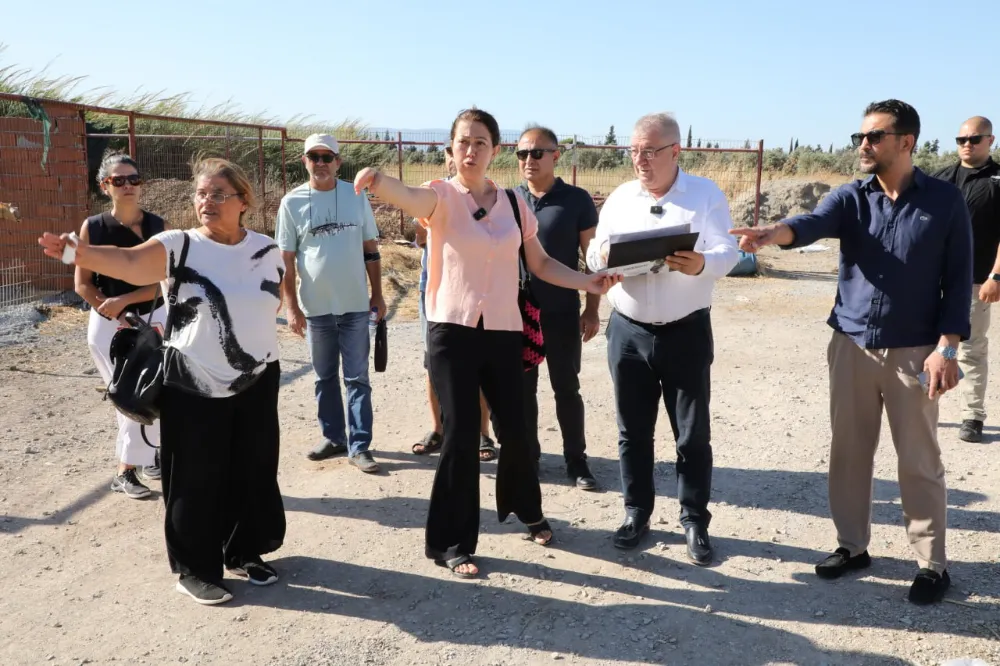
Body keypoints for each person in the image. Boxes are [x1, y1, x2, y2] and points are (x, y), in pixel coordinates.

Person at [353, 108, 619, 578]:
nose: (470, 150)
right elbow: (407, 196)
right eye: (462, 142)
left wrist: (588, 283)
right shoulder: (440, 197)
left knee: (517, 431)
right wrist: (377, 179)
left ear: (494, 150)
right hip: (451, 332)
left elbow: (539, 264)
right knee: (461, 437)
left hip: (503, 328)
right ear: (450, 149)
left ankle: (526, 509)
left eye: (480, 142)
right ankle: (452, 541)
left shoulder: (514, 203)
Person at [732, 99, 972, 605]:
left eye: (874, 136)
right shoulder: (850, 197)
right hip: (852, 345)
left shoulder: (946, 202)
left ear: (905, 142)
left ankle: (932, 564)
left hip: (915, 352)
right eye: (860, 136)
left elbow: (958, 279)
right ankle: (852, 546)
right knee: (849, 453)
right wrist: (772, 235)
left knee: (918, 459)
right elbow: (810, 224)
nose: (863, 145)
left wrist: (947, 349)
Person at [39, 157, 287, 606]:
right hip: (193, 382)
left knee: (251, 470)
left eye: (218, 194)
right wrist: (81, 253)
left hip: (258, 377)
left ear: (243, 201)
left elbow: (275, 294)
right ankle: (195, 569)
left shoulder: (267, 248)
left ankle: (243, 551)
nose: (206, 202)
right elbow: (131, 263)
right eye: (201, 194)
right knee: (196, 478)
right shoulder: (181, 245)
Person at [585, 112, 739, 565]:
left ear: (675, 152)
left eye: (649, 151)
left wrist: (702, 264)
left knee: (691, 435)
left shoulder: (704, 195)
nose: (640, 160)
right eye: (633, 151)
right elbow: (595, 249)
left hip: (685, 331)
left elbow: (728, 251)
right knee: (632, 431)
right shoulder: (621, 197)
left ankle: (694, 521)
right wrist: (604, 258)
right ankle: (637, 513)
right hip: (629, 332)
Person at [276, 134, 386, 473]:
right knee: (324, 377)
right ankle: (333, 437)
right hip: (316, 308)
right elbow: (286, 260)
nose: (321, 163)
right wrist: (291, 307)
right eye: (314, 156)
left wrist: (378, 293)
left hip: (354, 305)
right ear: (304, 161)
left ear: (338, 162)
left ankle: (359, 445)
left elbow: (370, 246)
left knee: (357, 378)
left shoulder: (356, 197)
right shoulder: (291, 203)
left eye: (328, 157)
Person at [512, 126, 601, 490]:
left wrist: (592, 309)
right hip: (518, 315)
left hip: (562, 312)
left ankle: (576, 462)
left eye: (536, 153)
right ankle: (529, 458)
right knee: (523, 390)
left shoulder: (577, 200)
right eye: (521, 154)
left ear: (555, 155)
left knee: (566, 388)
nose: (528, 161)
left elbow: (592, 260)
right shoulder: (509, 199)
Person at [76, 154, 166, 499]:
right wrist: (111, 308)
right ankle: (126, 470)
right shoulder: (93, 227)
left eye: (133, 179)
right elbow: (82, 283)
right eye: (119, 180)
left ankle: (146, 457)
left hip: (153, 316)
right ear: (105, 186)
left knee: (156, 390)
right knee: (127, 393)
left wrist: (129, 301)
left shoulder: (159, 226)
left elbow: (166, 280)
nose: (128, 186)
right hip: (109, 324)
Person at [411, 147, 498, 461]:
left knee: (477, 363)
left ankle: (482, 434)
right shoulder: (434, 194)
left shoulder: (490, 196)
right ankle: (439, 430)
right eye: (455, 149)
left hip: (476, 288)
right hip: (435, 289)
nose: (461, 156)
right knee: (434, 362)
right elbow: (421, 238)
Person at [931, 117, 1000, 443]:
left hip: (975, 280)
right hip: (933, 280)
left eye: (974, 139)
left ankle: (973, 415)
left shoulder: (998, 181)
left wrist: (996, 275)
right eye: (961, 140)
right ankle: (926, 406)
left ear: (990, 140)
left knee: (971, 350)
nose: (966, 145)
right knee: (928, 346)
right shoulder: (940, 178)